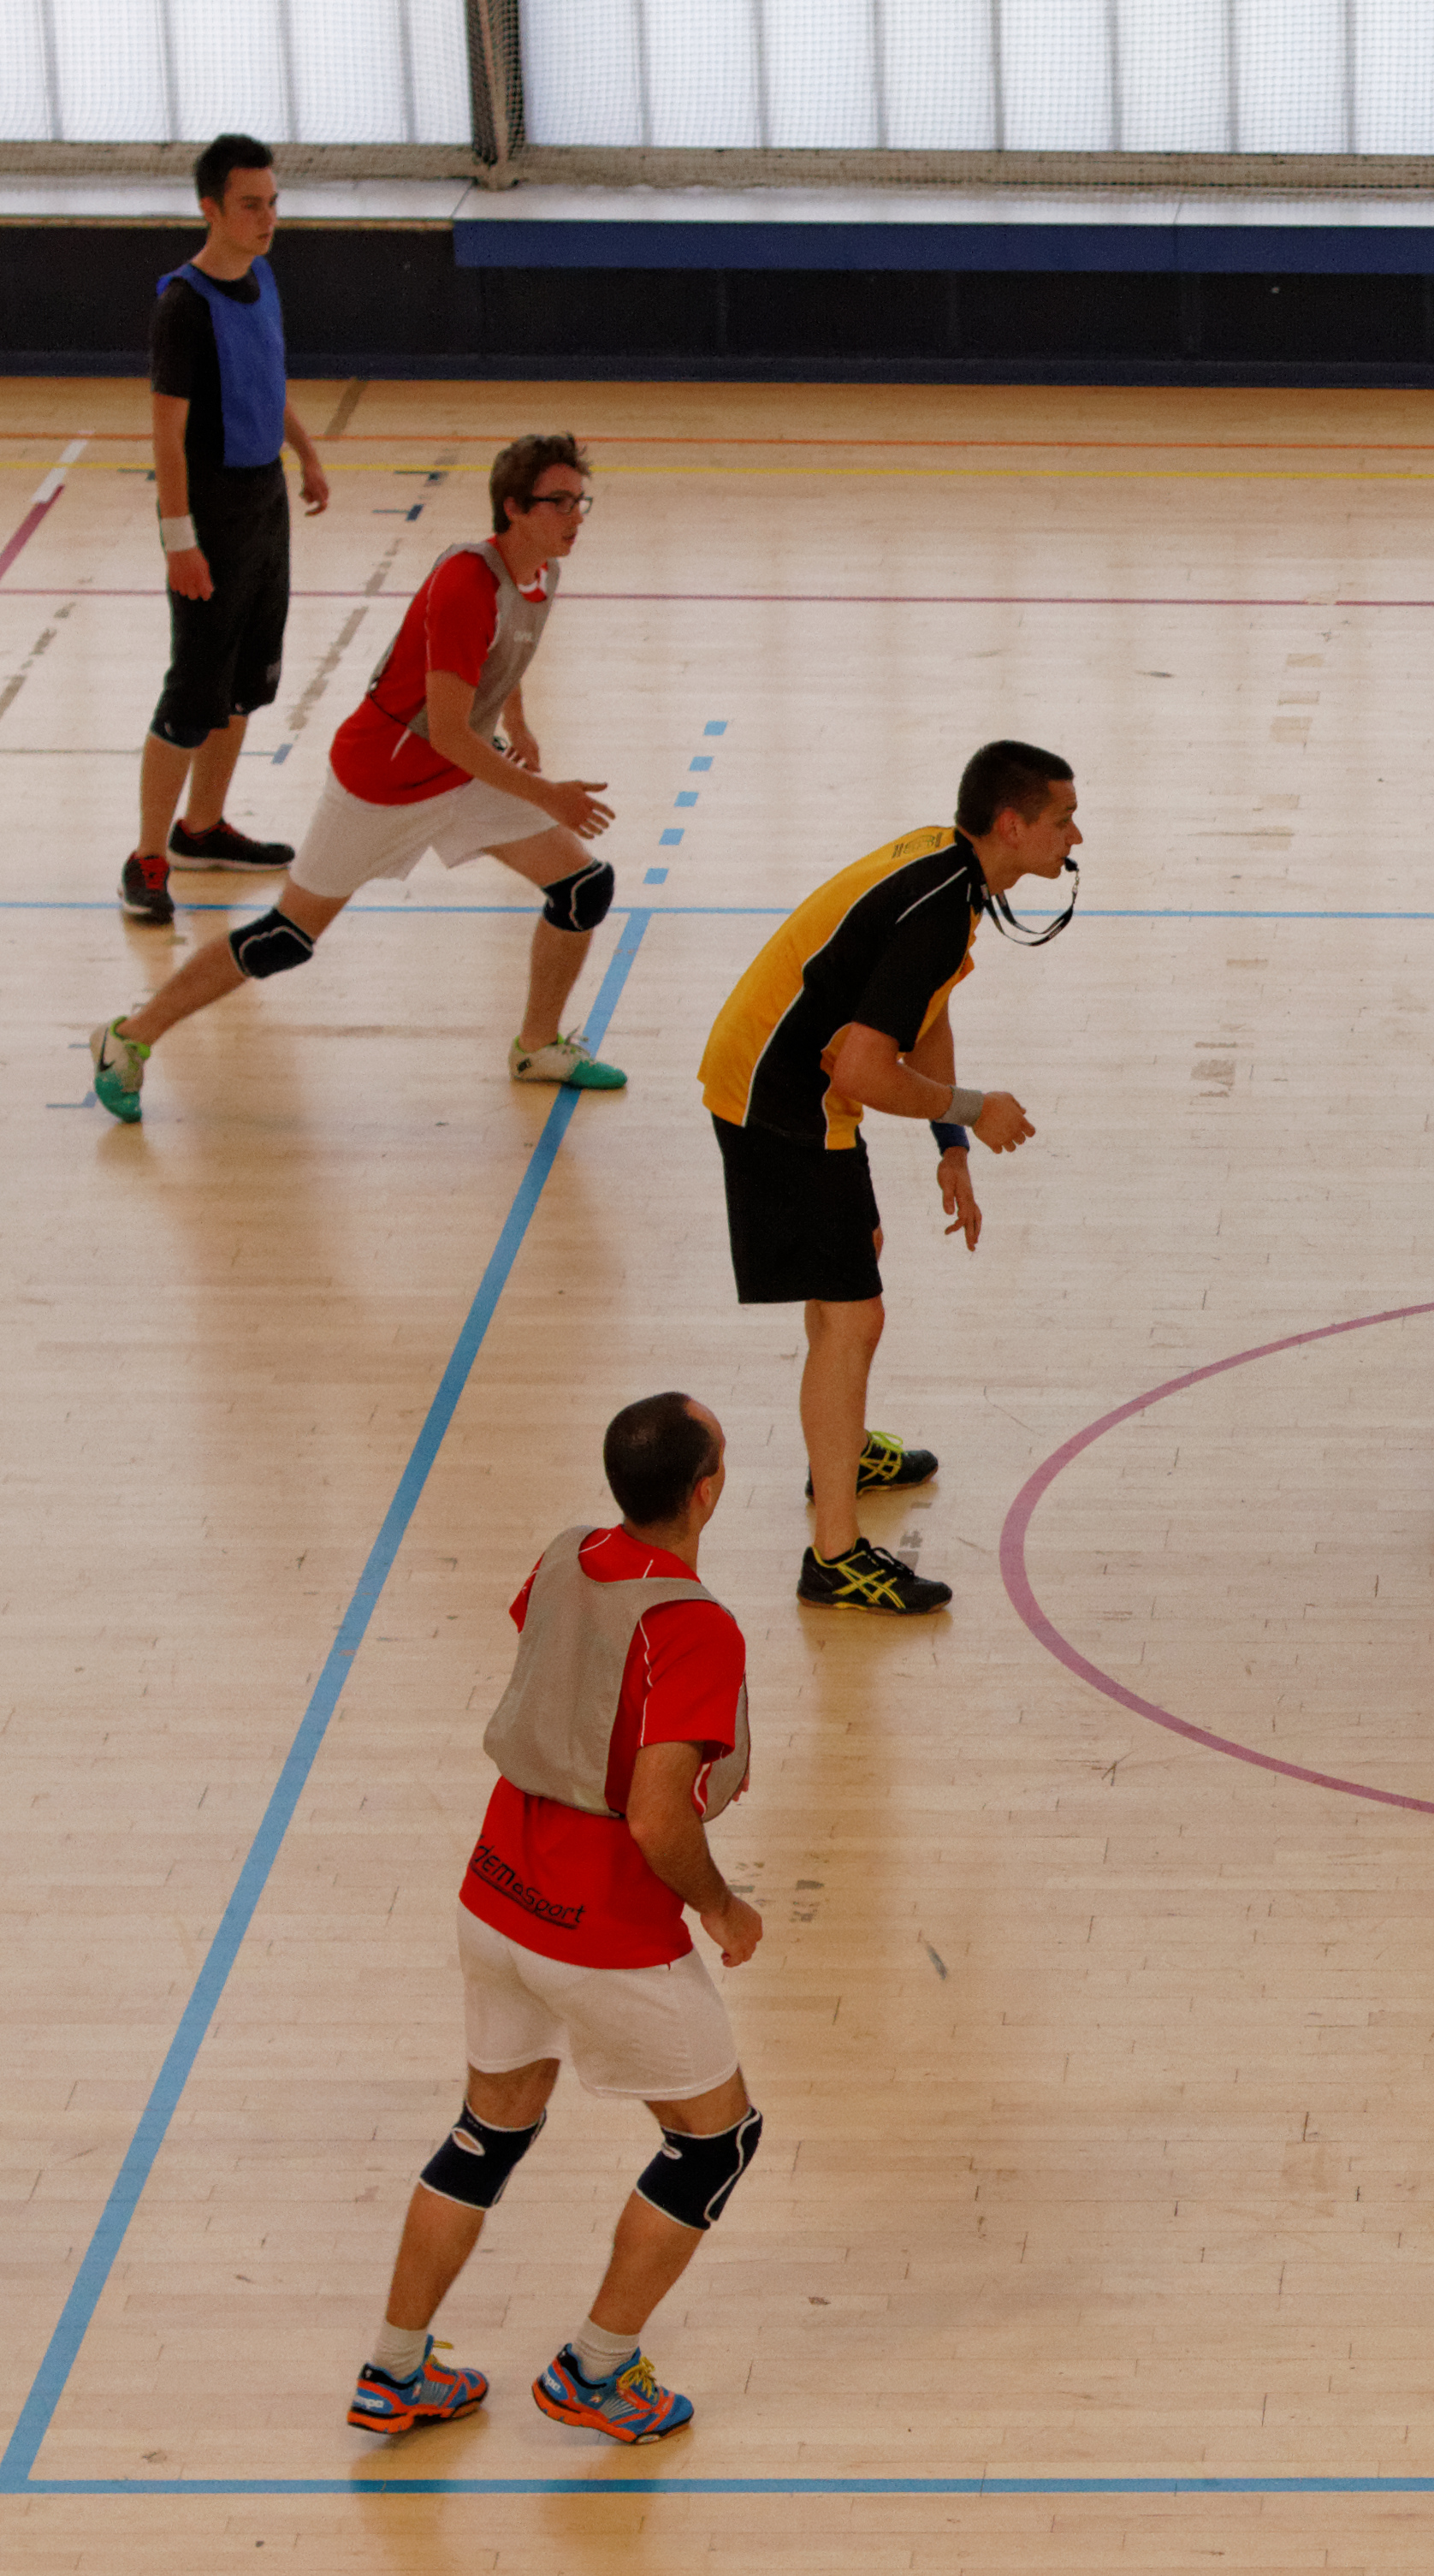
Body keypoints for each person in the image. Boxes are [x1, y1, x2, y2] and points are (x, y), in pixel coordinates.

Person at [348, 1392, 762, 2448]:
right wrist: (720, 1903)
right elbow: (657, 1810)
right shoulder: (696, 1626)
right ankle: (597, 2367)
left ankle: (395, 2371)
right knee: (713, 2145)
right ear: (706, 1488)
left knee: (488, 2130)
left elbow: (557, 1657)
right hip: (600, 1928)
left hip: (495, 1888)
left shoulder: (567, 1552)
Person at [89, 434, 624, 1124]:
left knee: (583, 887)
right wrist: (549, 795)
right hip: (386, 779)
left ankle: (536, 1047)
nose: (575, 516)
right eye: (559, 502)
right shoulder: (467, 583)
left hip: (457, 774)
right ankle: (127, 1039)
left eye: (581, 502)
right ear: (514, 508)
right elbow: (452, 731)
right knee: (286, 940)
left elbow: (502, 657)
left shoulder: (543, 571)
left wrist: (518, 724)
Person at [696, 740, 1074, 1614]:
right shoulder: (943, 907)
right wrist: (976, 1104)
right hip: (779, 1095)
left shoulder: (952, 870)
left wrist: (950, 1142)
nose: (1074, 834)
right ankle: (834, 1555)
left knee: (851, 1262)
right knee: (854, 1314)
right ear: (1012, 825)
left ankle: (844, 1439)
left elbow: (923, 1011)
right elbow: (864, 1071)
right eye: (1062, 819)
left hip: (796, 1081)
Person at [122, 132, 332, 926]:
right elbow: (166, 437)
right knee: (192, 690)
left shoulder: (263, 278)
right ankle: (146, 855)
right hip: (208, 519)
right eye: (251, 204)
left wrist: (306, 455)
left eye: (273, 203)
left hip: (264, 505)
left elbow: (267, 380)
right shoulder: (183, 305)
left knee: (246, 679)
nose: (267, 217)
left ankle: (201, 829)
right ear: (211, 208)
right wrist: (180, 541)